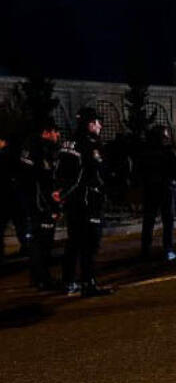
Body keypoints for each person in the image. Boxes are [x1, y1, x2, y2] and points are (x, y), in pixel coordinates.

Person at [55, 107, 113, 296]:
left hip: (72, 201)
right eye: (97, 122)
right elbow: (92, 173)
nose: (100, 125)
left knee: (73, 243)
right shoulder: (90, 144)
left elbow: (59, 171)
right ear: (89, 124)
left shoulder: (68, 142)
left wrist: (61, 194)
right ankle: (88, 283)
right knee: (90, 244)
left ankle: (69, 281)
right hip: (87, 201)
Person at [17, 118, 62, 290]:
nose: (57, 135)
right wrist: (46, 206)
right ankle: (42, 278)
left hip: (38, 203)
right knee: (42, 243)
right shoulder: (38, 149)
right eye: (55, 131)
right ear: (46, 132)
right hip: (40, 205)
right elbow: (36, 182)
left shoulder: (37, 148)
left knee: (41, 242)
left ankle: (39, 277)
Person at [139, 126, 176, 261]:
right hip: (166, 189)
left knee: (148, 220)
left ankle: (145, 250)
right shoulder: (168, 152)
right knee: (167, 221)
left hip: (150, 190)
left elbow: (139, 171)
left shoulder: (146, 153)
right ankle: (168, 249)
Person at [0, 134, 32, 262]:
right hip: (19, 196)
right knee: (22, 224)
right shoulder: (20, 155)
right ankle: (27, 247)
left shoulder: (3, 155)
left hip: (5, 196)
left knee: (2, 225)